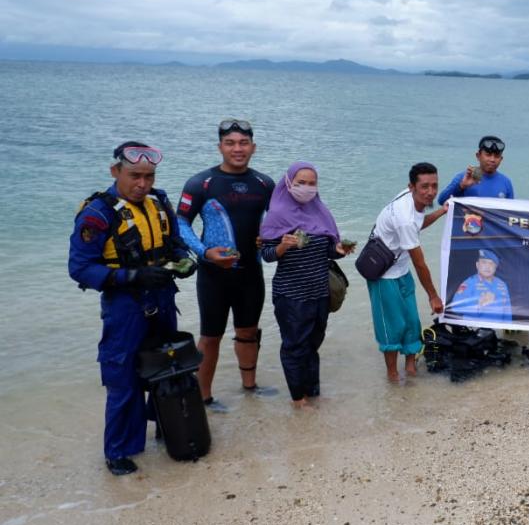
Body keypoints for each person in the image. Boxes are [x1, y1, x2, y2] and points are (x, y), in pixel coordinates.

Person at [69, 142, 195, 475]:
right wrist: (131, 275)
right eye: (135, 176)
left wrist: (185, 259)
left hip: (163, 297)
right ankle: (119, 451)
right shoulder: (97, 214)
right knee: (123, 378)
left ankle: (167, 429)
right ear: (116, 172)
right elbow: (80, 268)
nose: (142, 184)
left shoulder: (160, 201)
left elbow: (175, 243)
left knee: (168, 367)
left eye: (149, 176)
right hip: (124, 304)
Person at [178, 118, 276, 412]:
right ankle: (203, 397)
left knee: (249, 330)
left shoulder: (264, 183)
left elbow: (279, 220)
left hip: (251, 274)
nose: (237, 149)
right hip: (214, 275)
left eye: (243, 143)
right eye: (230, 143)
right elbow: (180, 223)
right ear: (220, 146)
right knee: (210, 336)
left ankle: (250, 386)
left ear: (253, 147)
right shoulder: (201, 184)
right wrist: (205, 253)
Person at [259, 163, 354, 408]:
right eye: (301, 182)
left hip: (319, 292)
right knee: (294, 347)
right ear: (289, 183)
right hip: (291, 296)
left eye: (312, 183)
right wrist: (282, 246)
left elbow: (329, 251)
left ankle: (313, 393)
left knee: (313, 345)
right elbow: (266, 254)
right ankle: (297, 399)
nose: (307, 188)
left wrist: (340, 250)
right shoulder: (277, 215)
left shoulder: (320, 211)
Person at [369, 163, 446, 382]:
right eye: (424, 187)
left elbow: (418, 224)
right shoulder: (404, 217)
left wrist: (442, 210)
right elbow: (420, 263)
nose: (430, 192)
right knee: (392, 328)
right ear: (410, 187)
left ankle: (411, 371)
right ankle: (392, 377)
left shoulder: (411, 201)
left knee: (412, 322)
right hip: (384, 275)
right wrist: (433, 295)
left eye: (434, 186)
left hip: (401, 270)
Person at [437, 136, 514, 204]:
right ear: (478, 156)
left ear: (501, 159)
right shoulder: (464, 178)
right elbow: (441, 201)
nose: (492, 159)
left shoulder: (506, 182)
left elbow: (512, 213)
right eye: (488, 155)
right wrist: (461, 186)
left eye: (497, 156)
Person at [448, 249, 513, 323]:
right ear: (477, 265)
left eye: (491, 263)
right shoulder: (468, 283)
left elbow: (507, 311)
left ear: (496, 267)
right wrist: (478, 304)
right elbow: (455, 308)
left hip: (497, 329)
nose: (487, 267)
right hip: (475, 330)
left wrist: (508, 327)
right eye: (484, 262)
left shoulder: (502, 284)